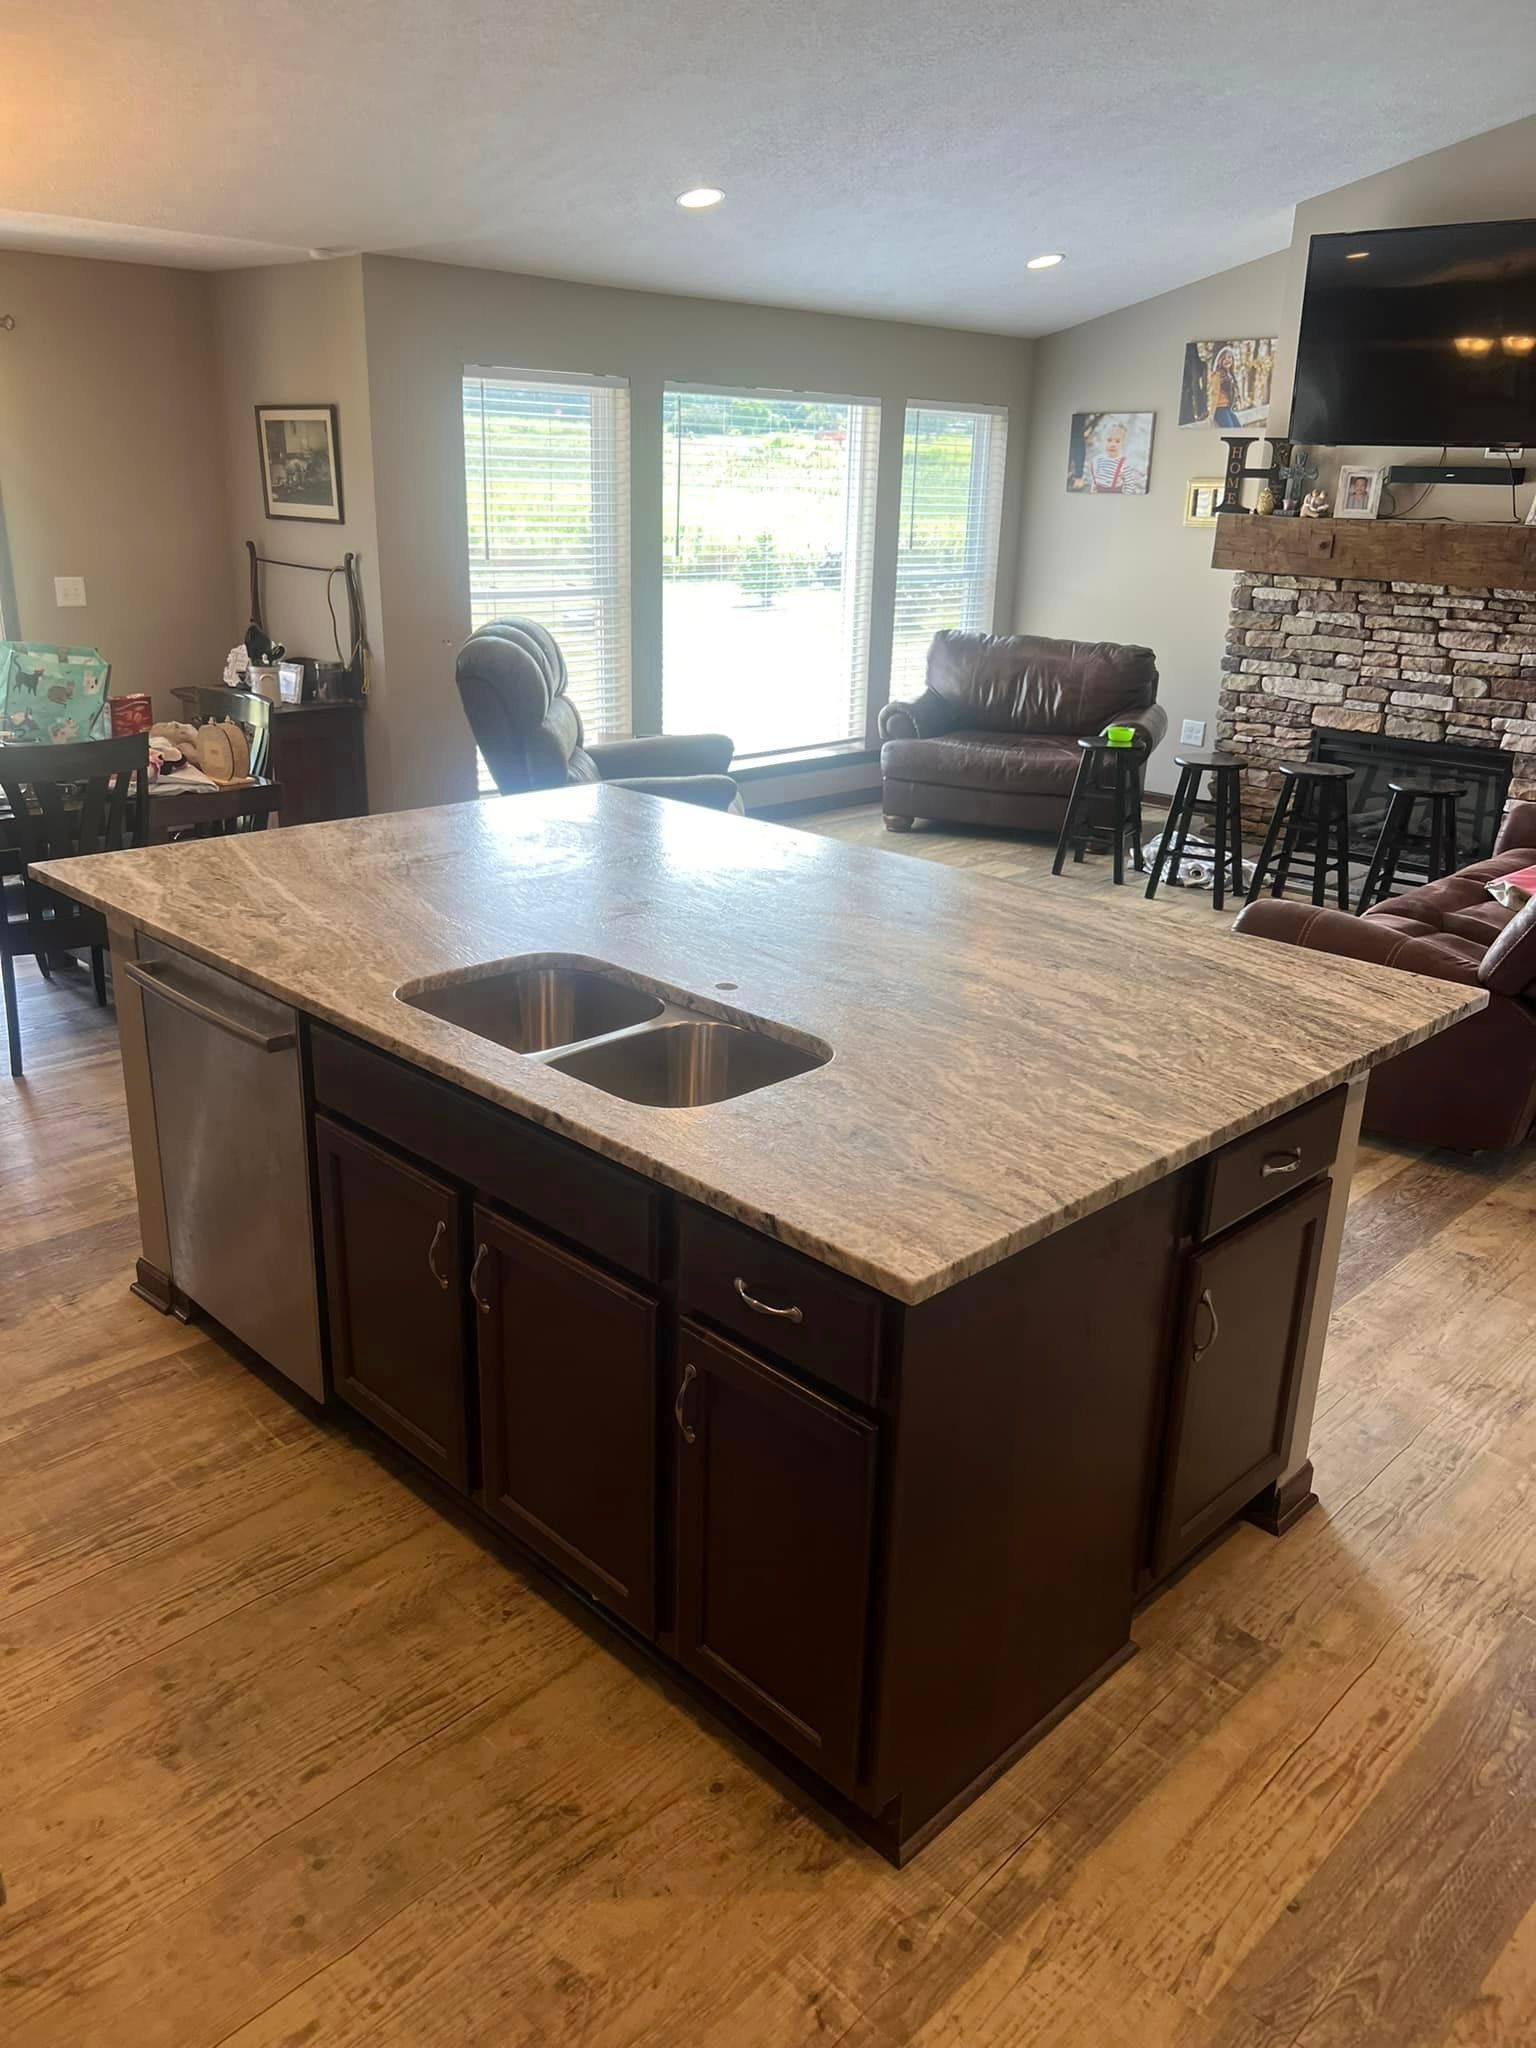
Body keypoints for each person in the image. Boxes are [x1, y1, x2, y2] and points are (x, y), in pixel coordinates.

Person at [1084, 415, 1147, 493]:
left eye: (1117, 441)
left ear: (1123, 444)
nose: (1113, 444)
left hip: (1115, 494)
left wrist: (1125, 495)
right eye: (1109, 440)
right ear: (1104, 441)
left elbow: (1130, 484)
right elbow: (1095, 480)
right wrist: (1093, 491)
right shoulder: (1098, 459)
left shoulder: (1124, 463)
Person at [1209, 347, 1241, 428]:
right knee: (1230, 430)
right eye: (1224, 358)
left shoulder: (1230, 375)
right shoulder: (1217, 375)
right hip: (1220, 409)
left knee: (1238, 427)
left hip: (1227, 409)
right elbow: (1214, 394)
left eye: (1229, 357)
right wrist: (1212, 413)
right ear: (1220, 361)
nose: (1227, 360)